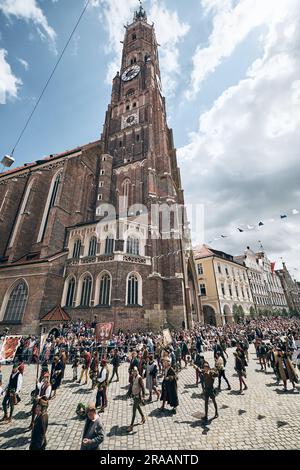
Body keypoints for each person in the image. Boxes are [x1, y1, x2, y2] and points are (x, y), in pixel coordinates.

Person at [127, 367, 146, 433]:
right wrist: (129, 393)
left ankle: (131, 426)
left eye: (135, 371)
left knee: (134, 411)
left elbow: (143, 387)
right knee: (138, 407)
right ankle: (143, 417)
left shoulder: (139, 378)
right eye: (133, 371)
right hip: (134, 396)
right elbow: (131, 385)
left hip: (138, 397)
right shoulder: (133, 377)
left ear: (137, 371)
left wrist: (143, 396)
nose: (134, 372)